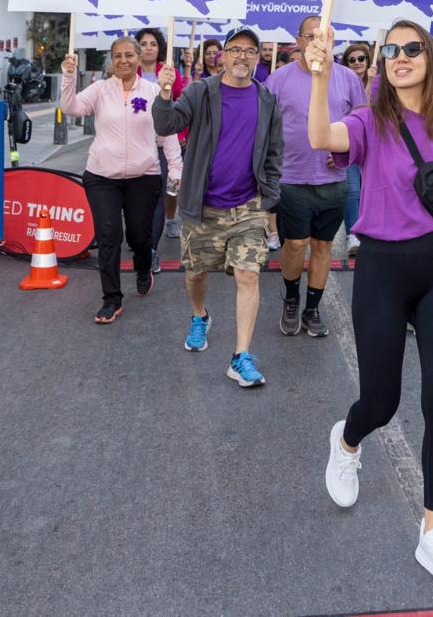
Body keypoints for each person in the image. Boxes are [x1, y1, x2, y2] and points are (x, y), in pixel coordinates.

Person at [306, 19, 433, 593]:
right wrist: (319, 74)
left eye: (412, 48)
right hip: (382, 269)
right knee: (380, 402)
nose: (400, 56)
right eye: (391, 50)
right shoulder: (368, 121)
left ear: (430, 58)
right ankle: (347, 441)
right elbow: (320, 136)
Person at [153, 27, 283, 388]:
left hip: (248, 207)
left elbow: (275, 151)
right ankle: (199, 316)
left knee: (248, 275)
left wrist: (269, 195)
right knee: (195, 273)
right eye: (235, 49)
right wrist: (164, 93)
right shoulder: (200, 91)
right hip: (202, 206)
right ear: (222, 55)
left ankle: (241, 357)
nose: (242, 56)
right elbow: (166, 123)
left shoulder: (267, 99)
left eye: (250, 51)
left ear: (257, 58)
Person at [60, 40, 181, 323]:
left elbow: (167, 133)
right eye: (117, 56)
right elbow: (71, 107)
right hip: (101, 176)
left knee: (139, 235)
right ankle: (111, 299)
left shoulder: (153, 91)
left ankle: (143, 266)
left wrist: (176, 169)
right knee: (108, 234)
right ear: (111, 61)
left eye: (128, 55)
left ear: (138, 58)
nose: (123, 60)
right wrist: (68, 76)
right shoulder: (100, 90)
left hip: (144, 176)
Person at [267, 15, 368, 339]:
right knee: (295, 244)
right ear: (298, 41)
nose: (316, 42)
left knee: (323, 246)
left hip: (333, 180)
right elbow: (263, 125)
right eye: (310, 36)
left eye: (322, 36)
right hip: (291, 178)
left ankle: (312, 308)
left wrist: (345, 148)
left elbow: (362, 123)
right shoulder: (279, 79)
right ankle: (291, 298)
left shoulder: (348, 78)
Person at [136, 27, 188, 250]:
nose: (148, 48)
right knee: (137, 196)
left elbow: (180, 104)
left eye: (153, 44)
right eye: (143, 44)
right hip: (136, 143)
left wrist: (181, 133)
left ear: (160, 48)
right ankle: (139, 236)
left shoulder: (169, 72)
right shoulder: (129, 73)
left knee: (160, 191)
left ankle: (153, 246)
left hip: (163, 142)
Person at [339, 42, 375, 257]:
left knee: (371, 189)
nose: (357, 62)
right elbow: (361, 108)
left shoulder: (380, 82)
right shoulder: (342, 82)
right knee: (352, 190)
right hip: (351, 143)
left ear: (368, 60)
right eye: (352, 60)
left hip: (375, 145)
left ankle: (370, 232)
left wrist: (372, 80)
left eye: (361, 58)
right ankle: (352, 235)